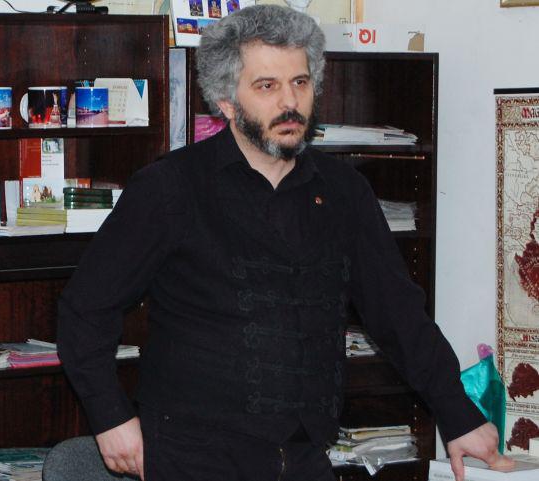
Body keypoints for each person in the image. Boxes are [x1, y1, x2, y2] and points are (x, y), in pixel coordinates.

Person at [57, 5, 511, 481]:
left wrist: (459, 415)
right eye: (267, 86)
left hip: (304, 455)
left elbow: (397, 313)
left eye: (300, 82)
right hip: (193, 455)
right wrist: (110, 417)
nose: (290, 101)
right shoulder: (170, 188)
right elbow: (85, 309)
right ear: (226, 101)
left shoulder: (344, 192)